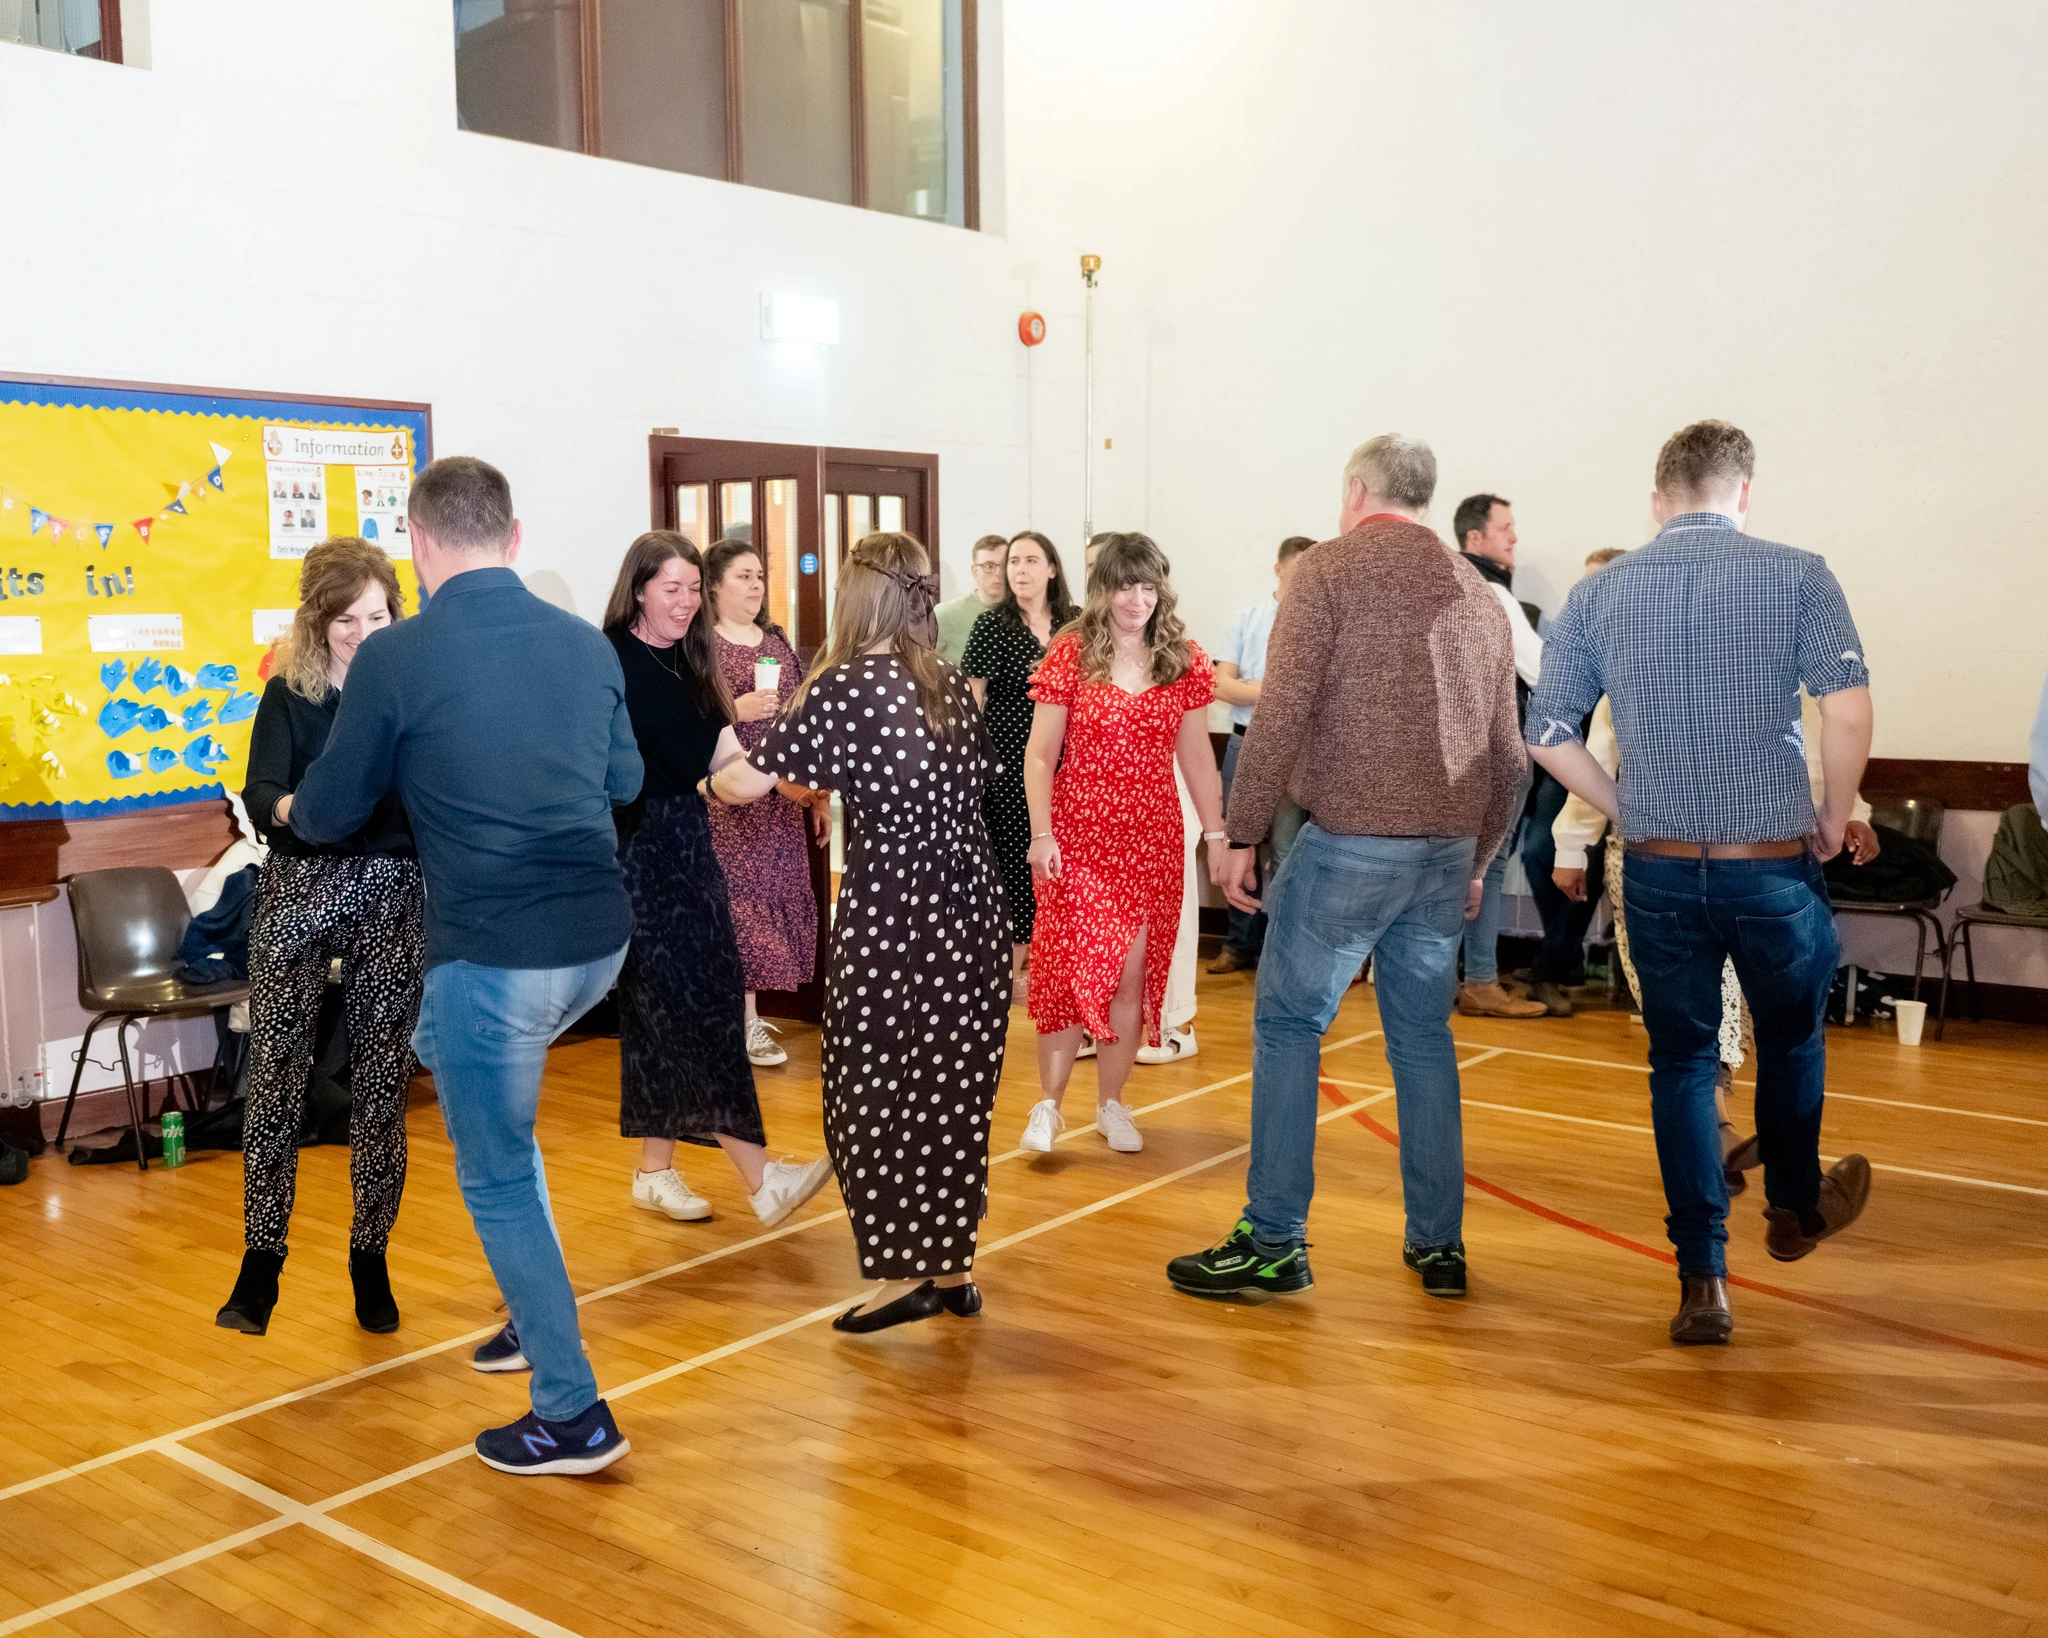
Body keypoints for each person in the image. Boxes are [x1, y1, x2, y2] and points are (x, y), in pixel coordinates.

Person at [289, 456, 639, 1476]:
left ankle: (571, 1414)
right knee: (451, 1046)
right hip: (597, 946)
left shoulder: (399, 657)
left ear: (421, 542)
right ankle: (534, 1308)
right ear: (515, 537)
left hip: (501, 957)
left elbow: (326, 810)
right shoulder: (585, 645)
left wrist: (285, 808)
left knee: (493, 1173)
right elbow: (623, 779)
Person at [1527, 419, 1874, 1348]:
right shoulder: (1801, 573)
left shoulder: (1600, 592)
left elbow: (1547, 733)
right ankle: (1796, 1208)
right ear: (1745, 494)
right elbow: (1846, 709)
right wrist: (1835, 815)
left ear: (1657, 499)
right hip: (1772, 865)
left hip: (1660, 869)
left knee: (1681, 1063)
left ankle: (1703, 1284)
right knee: (1793, 1038)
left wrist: (1627, 801)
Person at [1167, 434, 1523, 1302]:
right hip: (1443, 855)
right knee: (1422, 1042)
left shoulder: (1327, 571)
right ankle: (1440, 1245)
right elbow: (1509, 757)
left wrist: (1238, 833)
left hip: (1351, 845)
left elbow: (1281, 712)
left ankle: (1274, 1238)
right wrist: (1476, 856)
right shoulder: (1477, 591)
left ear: (1358, 489)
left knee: (1289, 1028)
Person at [707, 532, 1009, 1333]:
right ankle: (952, 1268)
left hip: (896, 911)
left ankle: (904, 1275)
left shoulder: (843, 686)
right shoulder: (943, 678)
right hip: (970, 905)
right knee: (951, 1090)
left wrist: (696, 780)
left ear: (856, 596)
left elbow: (748, 779)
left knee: (868, 1090)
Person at [216, 538, 423, 1339]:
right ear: (317, 621)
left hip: (390, 890)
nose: (363, 633)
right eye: (346, 620)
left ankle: (369, 1257)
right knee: (276, 1075)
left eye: (378, 616)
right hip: (299, 888)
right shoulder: (288, 695)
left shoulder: (409, 692)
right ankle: (260, 1263)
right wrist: (297, 811)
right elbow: (259, 786)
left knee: (380, 1086)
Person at [605, 533, 833, 1230]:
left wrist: (796, 763)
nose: (684, 602)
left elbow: (731, 774)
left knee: (662, 1013)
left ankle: (653, 1171)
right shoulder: (608, 659)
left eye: (691, 589)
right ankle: (762, 1181)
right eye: (670, 587)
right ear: (639, 589)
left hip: (691, 849)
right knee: (696, 1010)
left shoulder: (696, 661)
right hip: (634, 857)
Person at [1018, 532, 1227, 1155]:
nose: (1137, 599)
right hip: (1076, 835)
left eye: (1147, 586)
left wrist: (1216, 833)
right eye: (1124, 585)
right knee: (1069, 969)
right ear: (1102, 589)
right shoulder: (1072, 652)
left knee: (1130, 978)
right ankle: (1048, 1108)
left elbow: (1196, 760)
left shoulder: (1183, 658)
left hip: (1151, 839)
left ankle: (1112, 1104)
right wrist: (1040, 832)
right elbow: (1040, 754)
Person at [701, 536, 827, 1068]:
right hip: (731, 797)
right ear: (714, 586)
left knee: (776, 905)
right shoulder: (701, 645)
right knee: (741, 910)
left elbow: (800, 719)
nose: (754, 586)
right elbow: (693, 718)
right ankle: (746, 1023)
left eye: (759, 576)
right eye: (743, 577)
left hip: (782, 799)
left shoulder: (775, 640)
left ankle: (751, 1016)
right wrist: (738, 705)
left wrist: (815, 794)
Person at [961, 530, 1078, 1005]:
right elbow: (974, 699)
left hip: (1070, 760)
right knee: (1013, 864)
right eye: (1012, 562)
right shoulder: (993, 625)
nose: (1019, 571)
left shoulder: (1077, 624)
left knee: (1065, 864)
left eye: (1031, 560)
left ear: (1052, 568)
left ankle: (1055, 970)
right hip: (1008, 765)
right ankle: (1007, 973)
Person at [1447, 492, 1547, 1019]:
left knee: (1448, 863)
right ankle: (1481, 980)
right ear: (1474, 539)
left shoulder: (1437, 590)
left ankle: (1440, 979)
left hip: (1445, 754)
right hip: (1494, 752)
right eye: (1505, 528)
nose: (1513, 538)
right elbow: (1544, 676)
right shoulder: (1494, 597)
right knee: (1488, 859)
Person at [1517, 547, 1626, 1015]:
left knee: (1594, 858)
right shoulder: (1570, 635)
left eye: (1595, 581)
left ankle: (1549, 964)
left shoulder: (1633, 637)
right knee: (1539, 852)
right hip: (1562, 761)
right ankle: (1565, 956)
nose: (1585, 592)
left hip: (1612, 772)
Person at [1209, 535, 1315, 973]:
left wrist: (1252, 689)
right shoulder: (1247, 620)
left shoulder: (1316, 622)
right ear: (1279, 569)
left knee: (1289, 850)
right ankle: (1239, 943)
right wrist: (1276, 689)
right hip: (1244, 741)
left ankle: (1283, 948)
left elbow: (1306, 694)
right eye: (1298, 570)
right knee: (1241, 841)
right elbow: (1221, 685)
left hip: (1295, 749)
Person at [935, 533, 1010, 664]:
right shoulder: (945, 615)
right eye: (988, 566)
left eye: (1004, 565)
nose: (998, 573)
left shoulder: (1024, 614)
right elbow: (925, 667)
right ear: (975, 571)